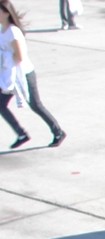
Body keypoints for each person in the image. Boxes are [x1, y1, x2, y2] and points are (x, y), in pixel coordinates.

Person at [0, 0, 66, 149]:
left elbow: (19, 57)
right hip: (9, 76)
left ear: (5, 12)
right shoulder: (2, 29)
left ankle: (58, 132)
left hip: (23, 75)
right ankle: (21, 134)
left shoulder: (13, 31)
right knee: (0, 104)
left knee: (35, 105)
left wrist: (3, 57)